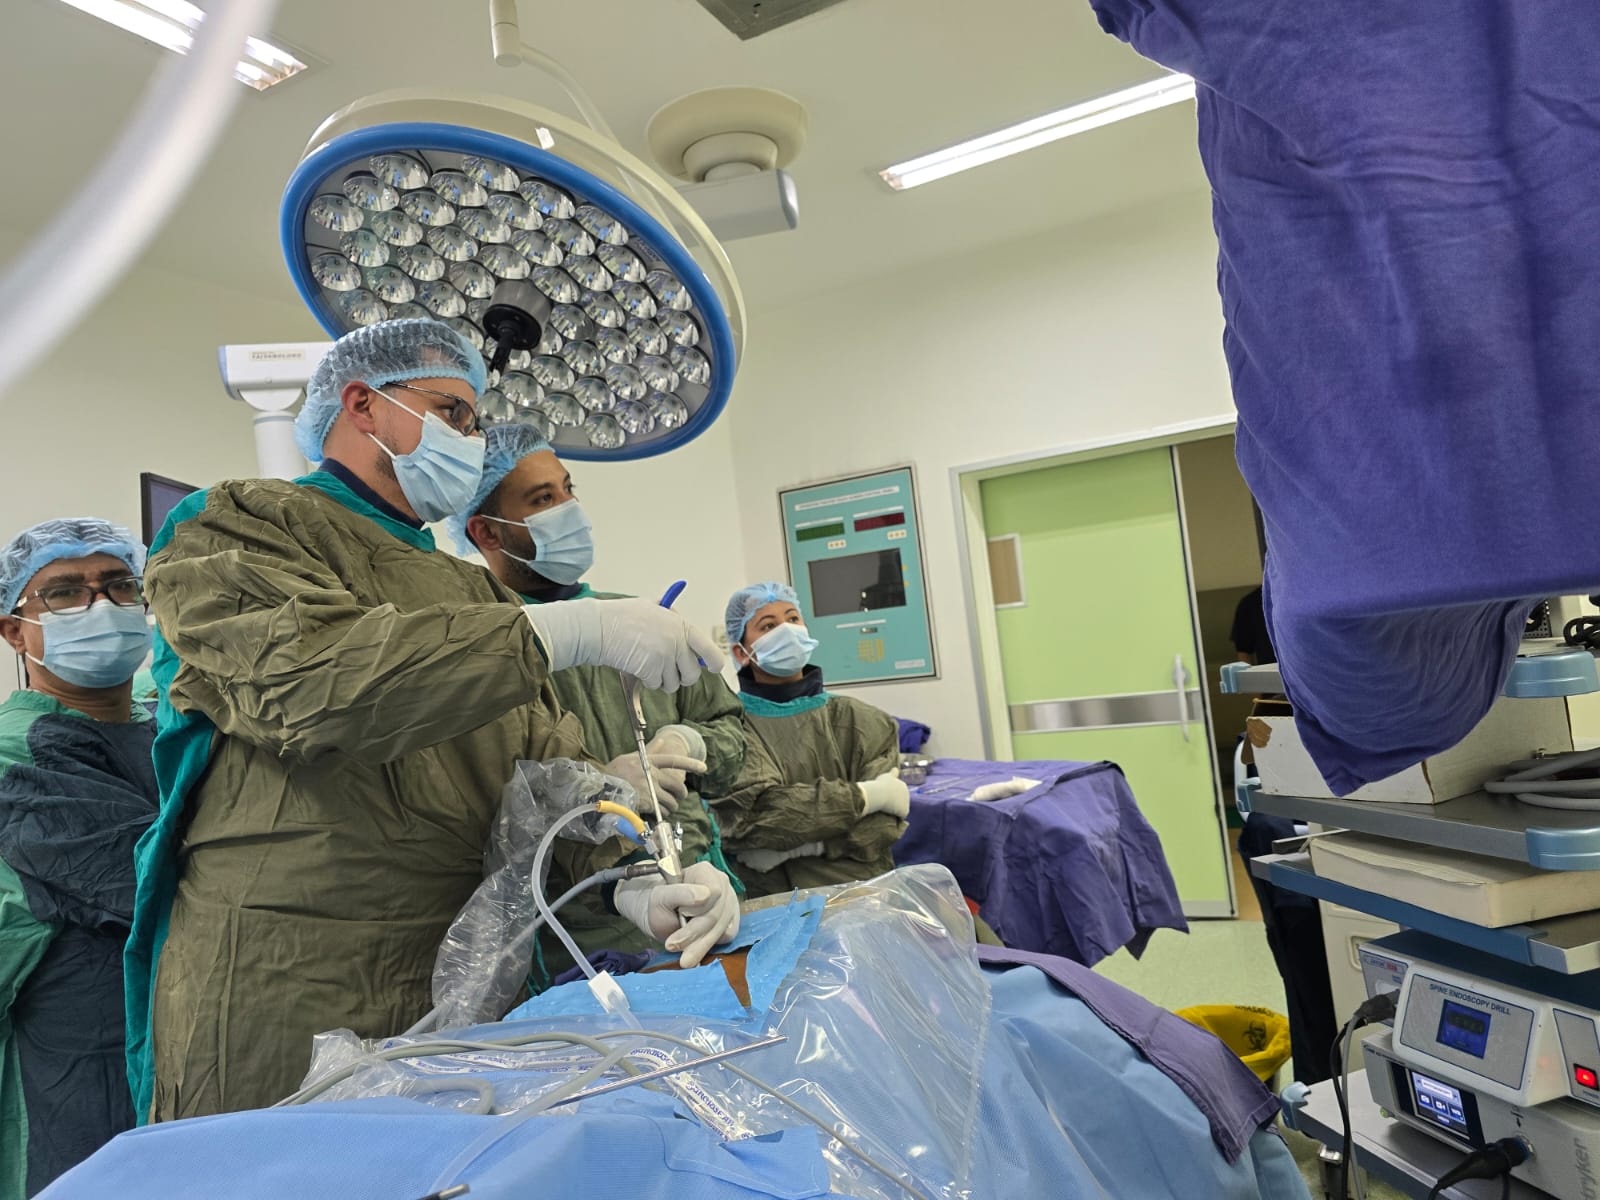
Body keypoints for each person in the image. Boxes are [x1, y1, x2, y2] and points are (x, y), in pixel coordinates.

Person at [128, 318, 734, 1123]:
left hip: (466, 969)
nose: (470, 442)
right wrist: (568, 630)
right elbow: (314, 683)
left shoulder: (472, 591)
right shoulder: (238, 523)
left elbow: (544, 774)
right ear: (362, 404)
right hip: (290, 976)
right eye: (452, 412)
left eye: (476, 424)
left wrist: (636, 878)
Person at [445, 422, 747, 983]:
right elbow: (480, 811)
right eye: (543, 499)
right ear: (486, 531)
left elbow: (738, 735)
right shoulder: (481, 653)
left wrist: (691, 743)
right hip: (572, 939)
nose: (570, 510)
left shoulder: (644, 626)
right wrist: (592, 792)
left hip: (698, 897)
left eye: (568, 489)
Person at [0, 519, 159, 1198]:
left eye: (120, 585)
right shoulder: (20, 754)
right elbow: (152, 882)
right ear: (15, 631)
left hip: (193, 1037)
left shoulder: (163, 723)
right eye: (65, 593)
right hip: (83, 1065)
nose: (101, 606)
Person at [716, 582, 908, 897]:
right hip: (774, 904)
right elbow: (755, 822)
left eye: (793, 619)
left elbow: (883, 826)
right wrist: (869, 796)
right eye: (769, 626)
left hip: (864, 896)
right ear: (741, 652)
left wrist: (802, 848)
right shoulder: (729, 729)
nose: (787, 631)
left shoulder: (865, 721)